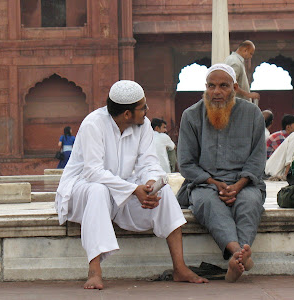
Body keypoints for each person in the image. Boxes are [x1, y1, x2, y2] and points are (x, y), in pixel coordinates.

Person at [55, 80, 207, 290]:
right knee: (98, 190)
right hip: (82, 189)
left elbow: (148, 162)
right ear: (127, 114)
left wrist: (150, 183)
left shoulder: (143, 125)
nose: (147, 111)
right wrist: (133, 190)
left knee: (164, 194)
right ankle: (94, 270)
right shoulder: (93, 124)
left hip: (120, 187)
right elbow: (93, 172)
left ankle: (179, 268)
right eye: (142, 107)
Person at [177, 64, 266, 282]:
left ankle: (237, 257)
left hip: (244, 183)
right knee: (207, 202)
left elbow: (257, 159)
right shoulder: (191, 115)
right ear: (205, 88)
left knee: (249, 202)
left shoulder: (252, 114)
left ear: (235, 87)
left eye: (223, 86)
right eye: (211, 86)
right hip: (204, 184)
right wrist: (214, 183)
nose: (217, 92)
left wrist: (238, 185)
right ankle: (238, 252)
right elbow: (186, 163)